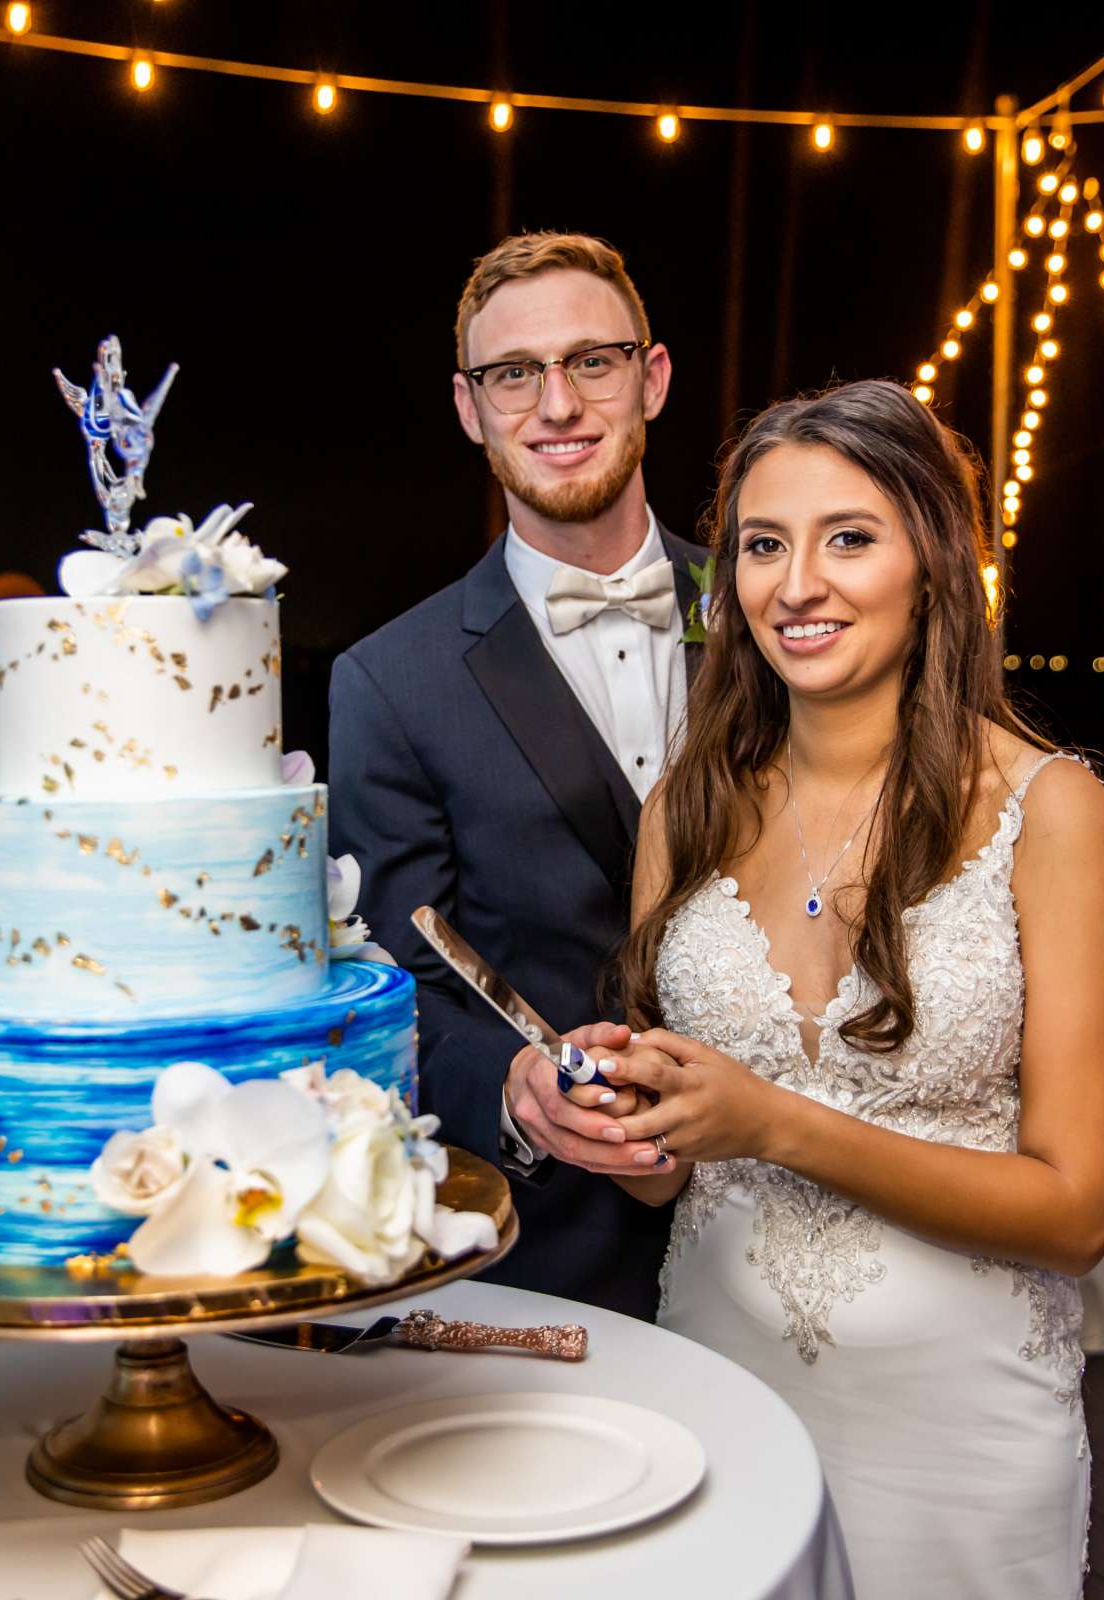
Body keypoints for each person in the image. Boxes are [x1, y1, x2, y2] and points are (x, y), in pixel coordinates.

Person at [586, 379, 1104, 1595]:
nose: (797, 584)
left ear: (933, 562)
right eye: (764, 546)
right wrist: (608, 1113)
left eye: (849, 537)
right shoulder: (687, 805)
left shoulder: (1052, 810)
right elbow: (673, 1155)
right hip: (715, 1386)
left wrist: (774, 1121)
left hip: (962, 1432)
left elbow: (1078, 1212)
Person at [327, 232, 697, 1318]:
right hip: (560, 1256)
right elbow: (391, 990)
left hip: (805, 1209)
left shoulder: (774, 614)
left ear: (652, 378)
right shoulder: (390, 681)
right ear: (468, 406)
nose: (558, 405)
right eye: (513, 374)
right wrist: (513, 1082)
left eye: (594, 361)